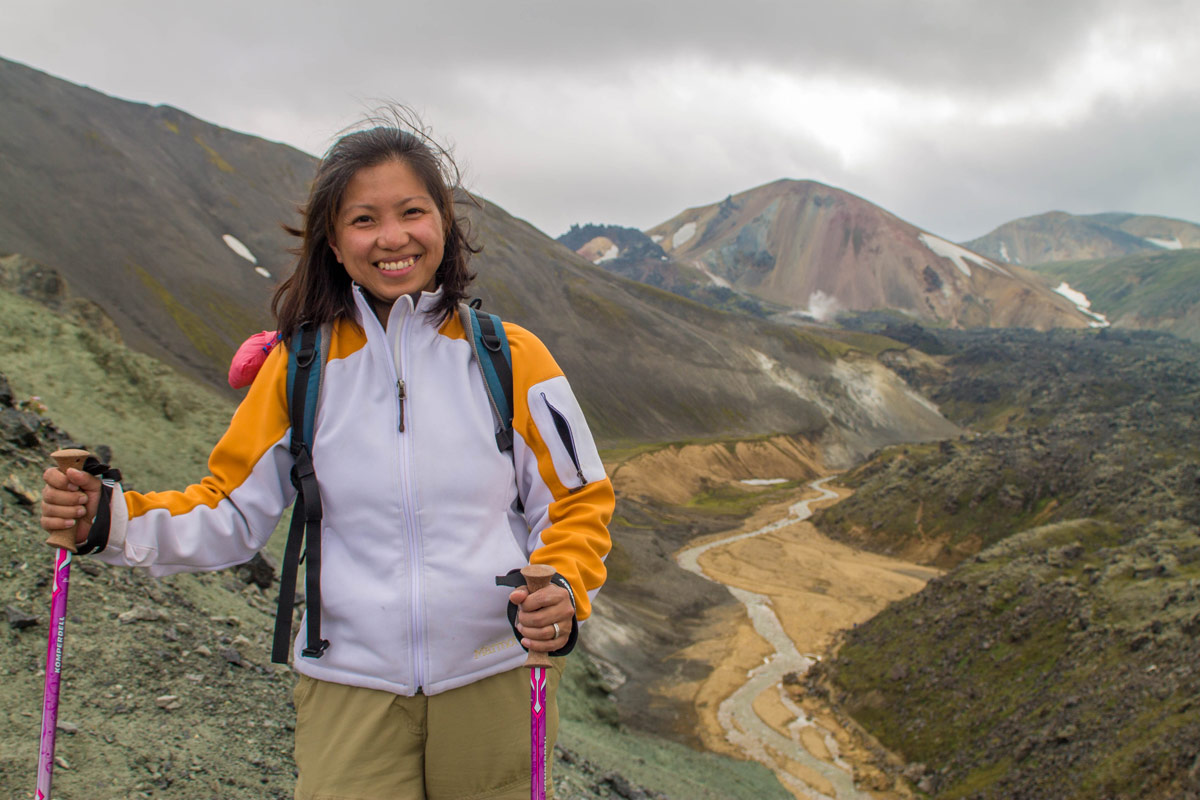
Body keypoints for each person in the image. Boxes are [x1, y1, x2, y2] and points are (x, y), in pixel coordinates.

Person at [39, 115, 615, 800]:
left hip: (494, 678)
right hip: (349, 692)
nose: (392, 238)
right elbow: (227, 510)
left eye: (411, 212)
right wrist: (108, 520)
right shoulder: (298, 369)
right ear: (335, 245)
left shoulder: (513, 358)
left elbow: (578, 499)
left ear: (443, 223)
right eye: (364, 219)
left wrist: (565, 589)